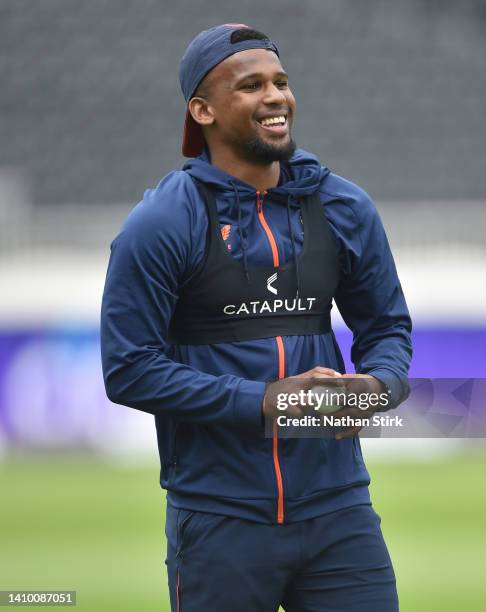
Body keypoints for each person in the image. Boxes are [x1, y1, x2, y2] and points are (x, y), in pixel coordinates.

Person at [101, 23, 412, 612]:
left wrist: (378, 386)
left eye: (281, 82)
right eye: (250, 86)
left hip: (339, 512)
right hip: (220, 520)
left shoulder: (345, 206)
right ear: (203, 110)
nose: (275, 97)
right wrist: (267, 400)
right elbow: (129, 370)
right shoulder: (161, 223)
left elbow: (388, 328)